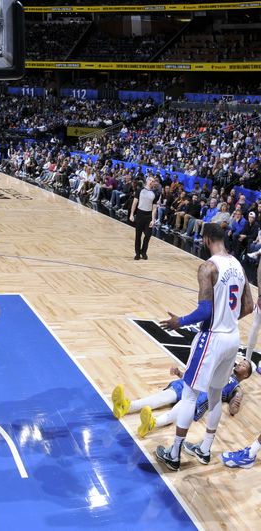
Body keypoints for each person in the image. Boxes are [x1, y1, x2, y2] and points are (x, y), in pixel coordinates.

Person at [155, 223, 254, 470]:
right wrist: (228, 319)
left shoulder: (208, 267)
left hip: (212, 338)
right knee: (215, 394)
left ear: (208, 239)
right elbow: (249, 307)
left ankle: (174, 454)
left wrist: (180, 321)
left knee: (189, 394)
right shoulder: (239, 266)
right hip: (232, 338)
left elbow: (205, 310)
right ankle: (205, 449)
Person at [111, 358, 253, 438]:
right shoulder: (223, 369)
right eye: (242, 362)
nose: (241, 363)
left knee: (182, 408)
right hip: (191, 385)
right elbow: (200, 375)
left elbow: (233, 410)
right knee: (164, 396)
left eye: (244, 365)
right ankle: (127, 406)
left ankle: (153, 423)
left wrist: (237, 399)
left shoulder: (236, 388)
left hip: (203, 397)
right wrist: (180, 373)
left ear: (246, 375)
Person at [129, 176, 158, 260]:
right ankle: (137, 253)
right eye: (150, 180)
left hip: (148, 215)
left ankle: (144, 252)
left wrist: (153, 220)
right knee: (138, 235)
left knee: (148, 235)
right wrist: (131, 214)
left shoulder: (154, 193)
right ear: (147, 180)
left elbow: (154, 208)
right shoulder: (140, 190)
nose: (151, 182)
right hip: (140, 214)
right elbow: (134, 203)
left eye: (153, 181)